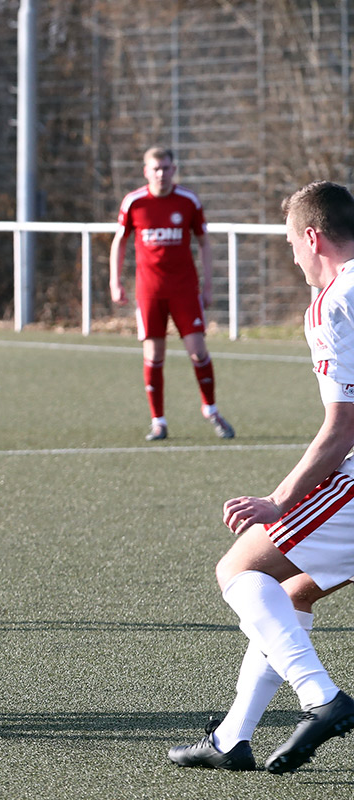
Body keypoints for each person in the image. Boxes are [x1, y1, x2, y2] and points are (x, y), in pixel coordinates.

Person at [167, 180, 354, 774]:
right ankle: (232, 737)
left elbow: (342, 429)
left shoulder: (334, 300)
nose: (294, 259)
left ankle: (321, 700)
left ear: (312, 237)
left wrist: (278, 500)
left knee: (238, 569)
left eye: (292, 246)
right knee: (293, 591)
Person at [109, 146, 234, 442]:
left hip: (184, 290)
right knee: (154, 355)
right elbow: (119, 241)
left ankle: (210, 408)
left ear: (173, 169)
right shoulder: (134, 202)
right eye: (156, 169)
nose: (161, 174)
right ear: (146, 171)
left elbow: (203, 242)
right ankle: (158, 421)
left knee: (198, 350)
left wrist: (208, 284)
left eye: (166, 168)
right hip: (150, 291)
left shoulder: (188, 200)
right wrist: (115, 281)